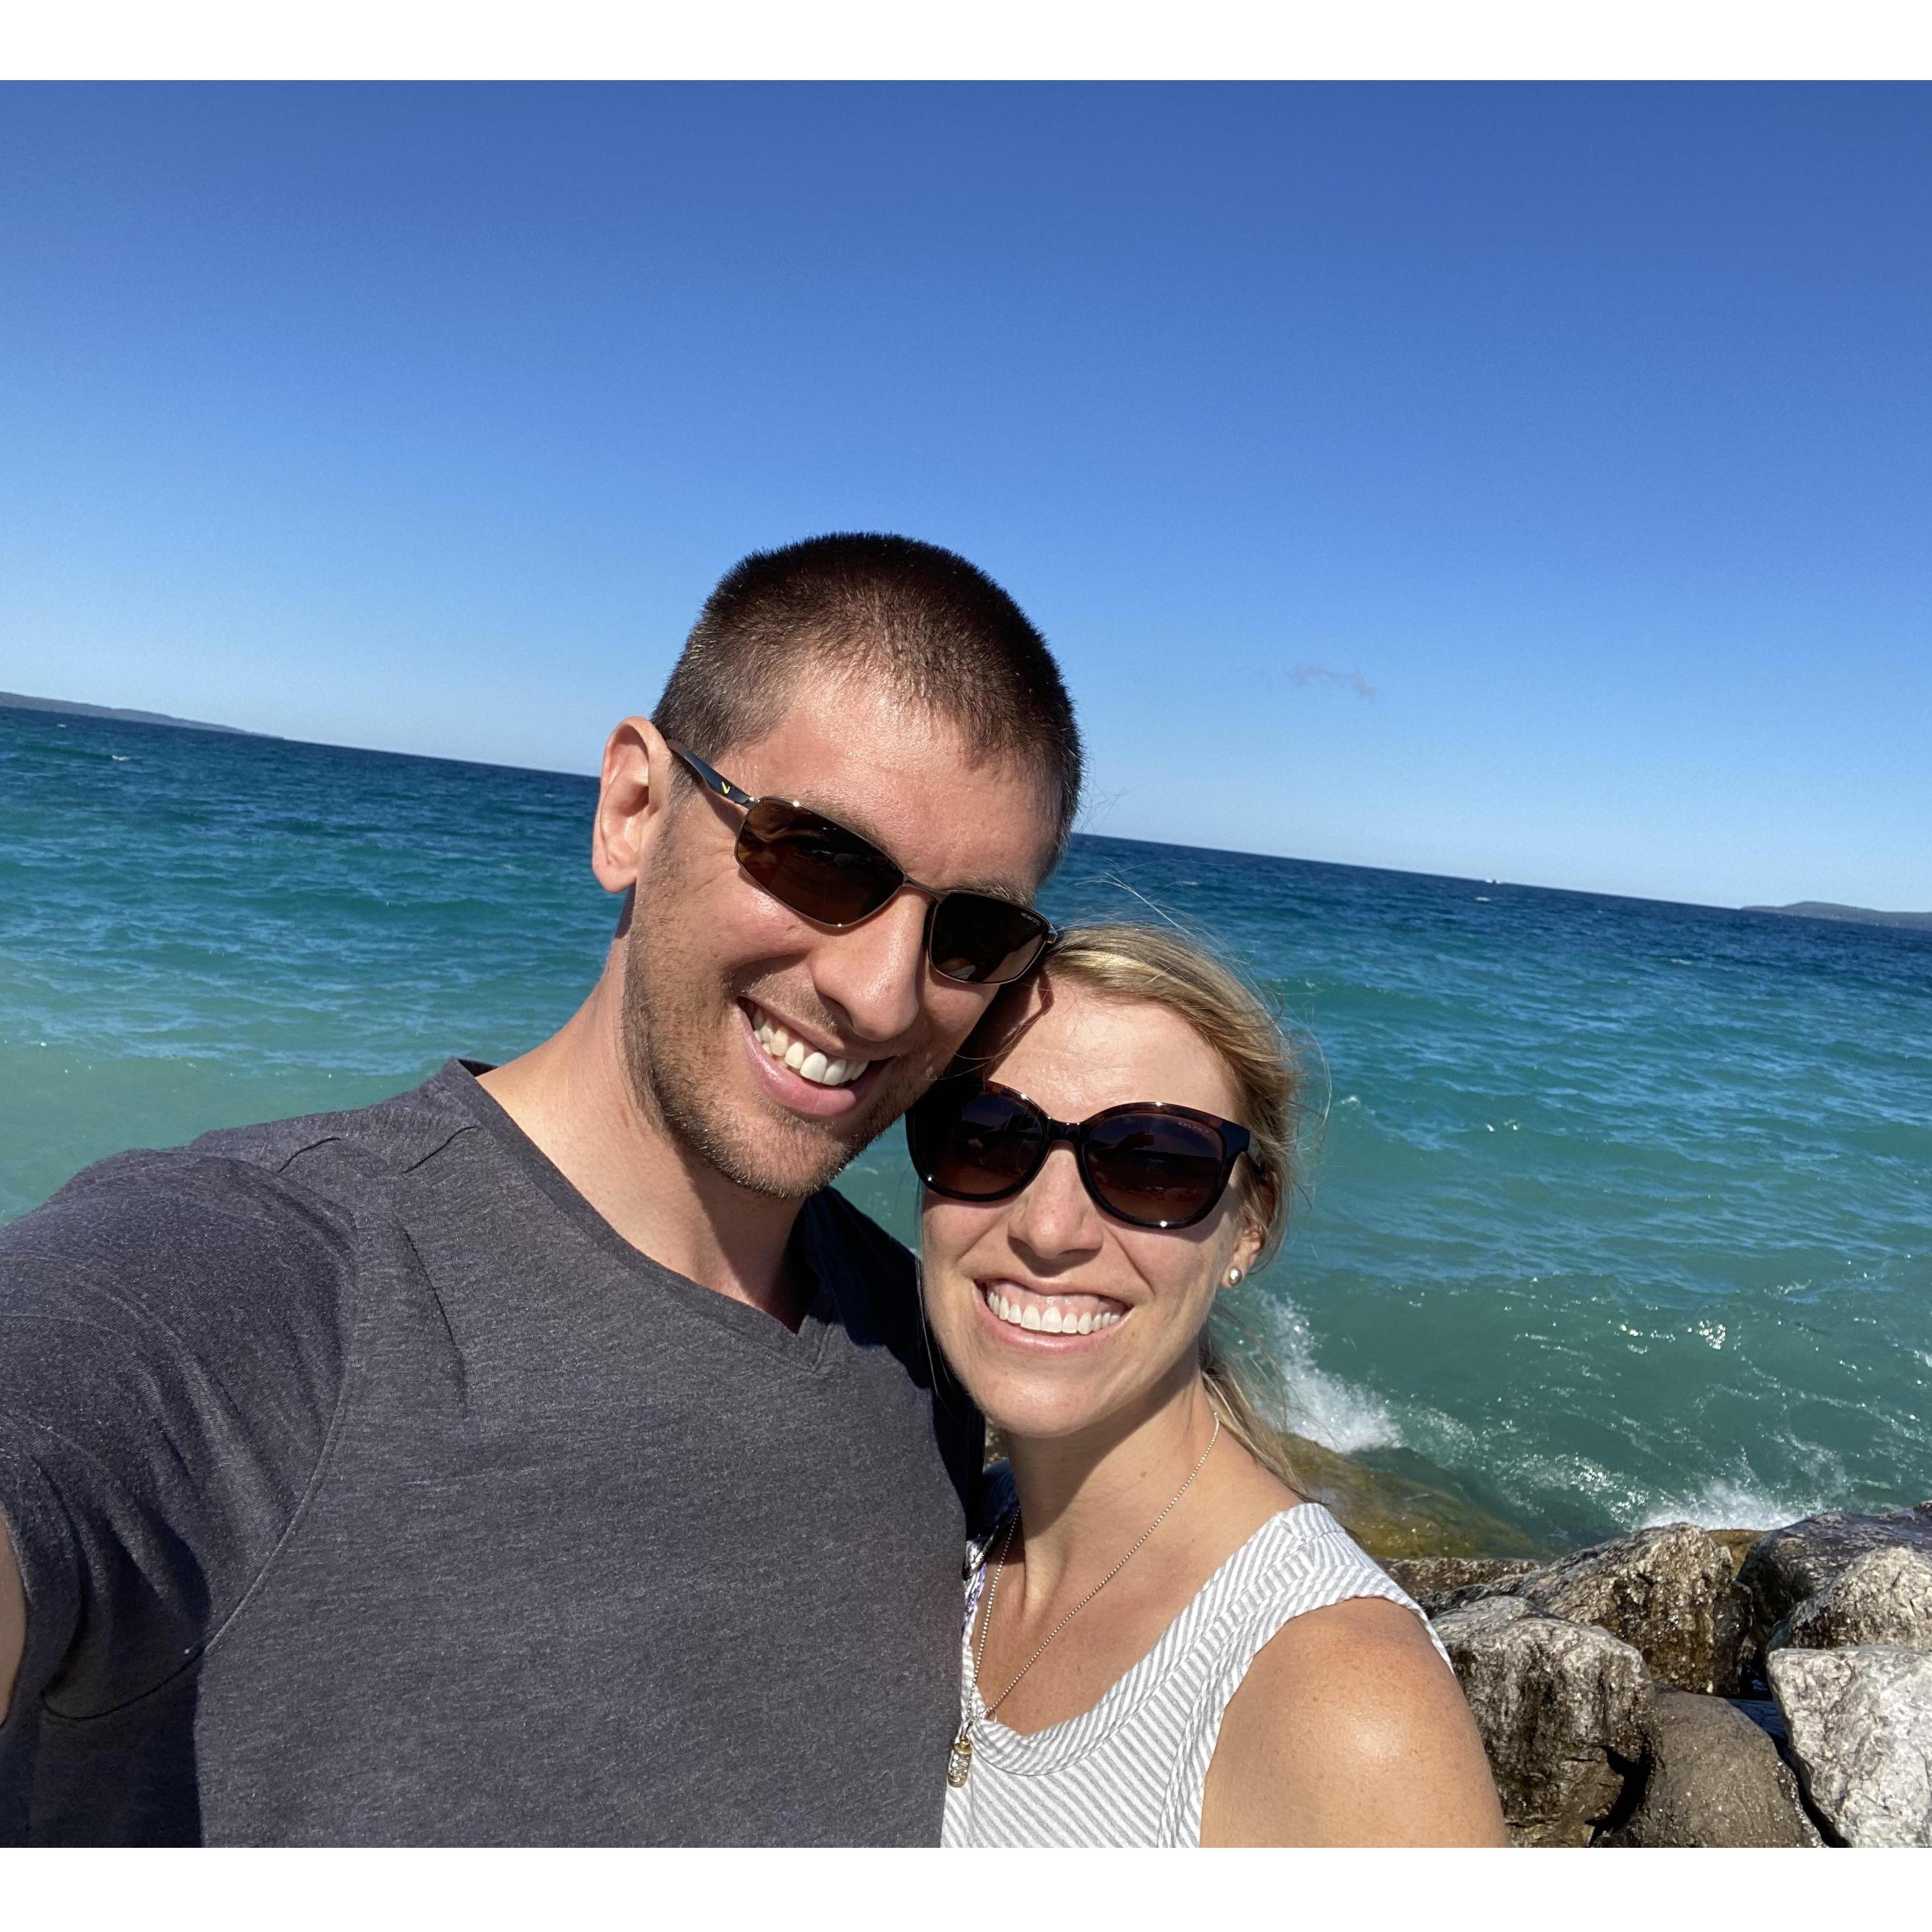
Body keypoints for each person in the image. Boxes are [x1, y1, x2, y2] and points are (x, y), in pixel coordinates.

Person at [0, 533, 1080, 1845]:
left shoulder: (929, 1355)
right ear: (633, 810)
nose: (882, 991)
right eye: (822, 861)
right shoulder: (256, 1277)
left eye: (970, 934)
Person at [910, 923, 1507, 1845]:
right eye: (986, 1135)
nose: (1050, 1225)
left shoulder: (1344, 1704)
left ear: (1249, 1224)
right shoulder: (937, 1544)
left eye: (1152, 1161)